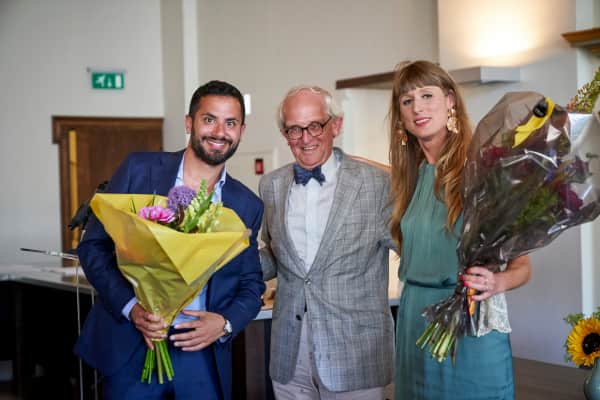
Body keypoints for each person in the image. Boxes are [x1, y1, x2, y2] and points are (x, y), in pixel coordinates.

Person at [75, 80, 265, 399]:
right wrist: (132, 308)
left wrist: (225, 323)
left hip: (201, 352)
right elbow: (93, 247)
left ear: (241, 131)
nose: (220, 131)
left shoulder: (247, 204)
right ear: (189, 123)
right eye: (209, 119)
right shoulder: (138, 169)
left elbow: (251, 283)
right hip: (132, 343)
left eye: (230, 123)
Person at [388, 60, 532, 399]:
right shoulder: (409, 177)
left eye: (427, 95)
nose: (417, 108)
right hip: (413, 321)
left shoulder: (482, 168)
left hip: (468, 320)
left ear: (450, 100)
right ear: (400, 115)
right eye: (407, 101)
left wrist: (497, 282)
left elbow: (523, 266)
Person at [259, 85, 397, 399]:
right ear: (285, 134)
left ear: (336, 125)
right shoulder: (271, 185)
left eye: (315, 126)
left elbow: (413, 250)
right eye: (294, 129)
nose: (305, 138)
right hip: (289, 354)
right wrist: (222, 259)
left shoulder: (377, 185)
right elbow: (275, 256)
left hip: (357, 355)